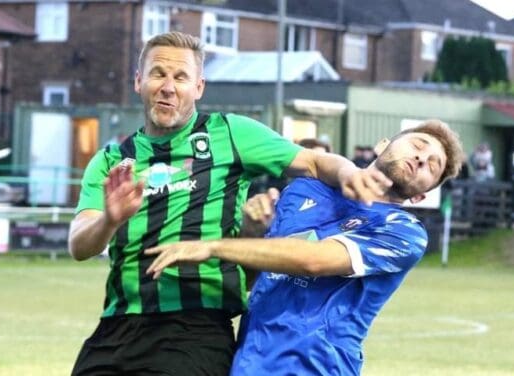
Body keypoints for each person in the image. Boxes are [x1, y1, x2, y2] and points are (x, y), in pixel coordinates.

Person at [68, 31, 392, 376]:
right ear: (138, 81)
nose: (168, 86)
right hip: (116, 328)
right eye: (158, 73)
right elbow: (79, 245)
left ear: (199, 88)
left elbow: (313, 162)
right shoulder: (112, 160)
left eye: (180, 77)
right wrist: (110, 220)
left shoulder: (231, 133)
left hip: (196, 327)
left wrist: (349, 173)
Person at [144, 119, 464, 375]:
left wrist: (214, 246)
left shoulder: (404, 233)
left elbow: (312, 261)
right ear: (383, 145)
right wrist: (255, 232)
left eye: (432, 166)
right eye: (418, 145)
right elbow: (256, 281)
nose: (422, 158)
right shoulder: (303, 190)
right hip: (250, 360)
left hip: (317, 366)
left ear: (420, 197)